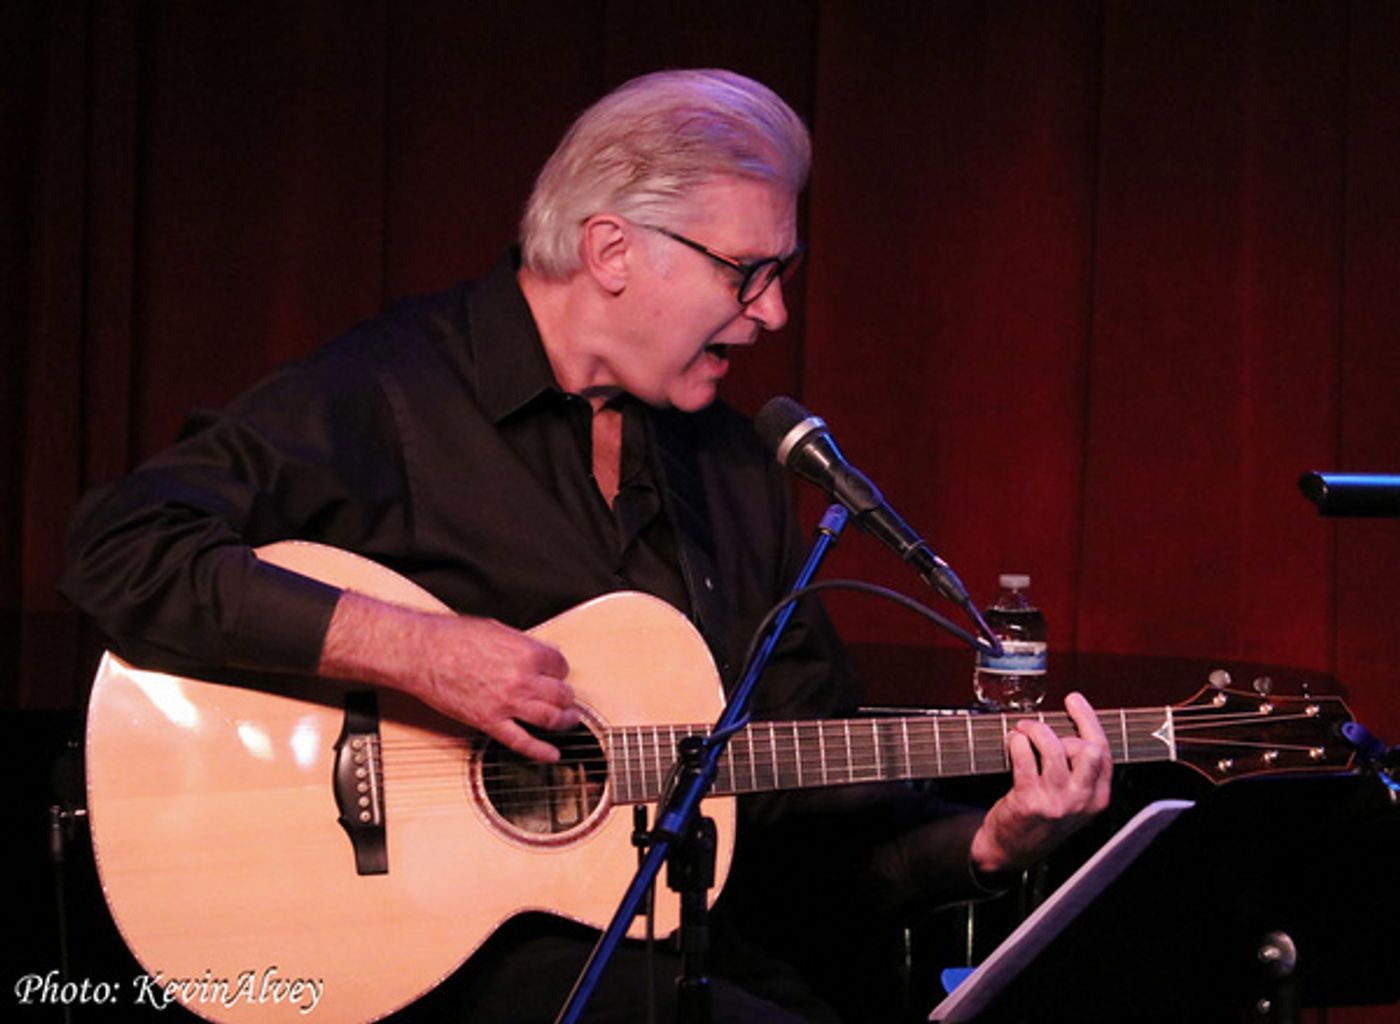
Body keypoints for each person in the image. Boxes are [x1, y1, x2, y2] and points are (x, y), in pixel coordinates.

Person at [61, 69, 1111, 1022]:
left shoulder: (733, 475)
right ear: (611, 251)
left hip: (673, 962)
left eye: (782, 273)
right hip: (427, 962)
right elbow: (119, 546)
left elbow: (803, 814)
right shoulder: (391, 395)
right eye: (747, 273)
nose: (774, 313)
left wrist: (990, 843)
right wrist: (414, 651)